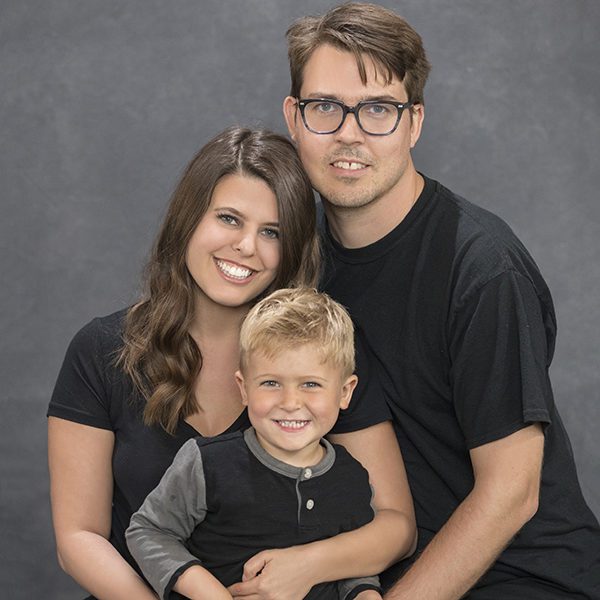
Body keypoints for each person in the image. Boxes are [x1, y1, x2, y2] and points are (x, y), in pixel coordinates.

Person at [268, 3, 600, 600]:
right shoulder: (297, 259)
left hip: (520, 576)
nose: (349, 133)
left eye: (378, 110)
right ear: (294, 118)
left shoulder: (481, 269)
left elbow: (511, 494)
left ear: (414, 123)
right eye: (325, 108)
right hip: (375, 569)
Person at [48, 125, 416, 600]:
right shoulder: (101, 351)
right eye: (228, 219)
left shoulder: (324, 354)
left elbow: (396, 525)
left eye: (272, 232)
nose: (246, 246)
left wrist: (305, 566)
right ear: (189, 220)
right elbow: (79, 537)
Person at [126, 287, 393, 600]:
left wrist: (366, 594)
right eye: (270, 383)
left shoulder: (352, 477)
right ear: (244, 388)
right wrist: (209, 592)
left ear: (345, 392)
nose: (291, 402)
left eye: (310, 384)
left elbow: (354, 569)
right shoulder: (207, 463)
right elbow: (149, 532)